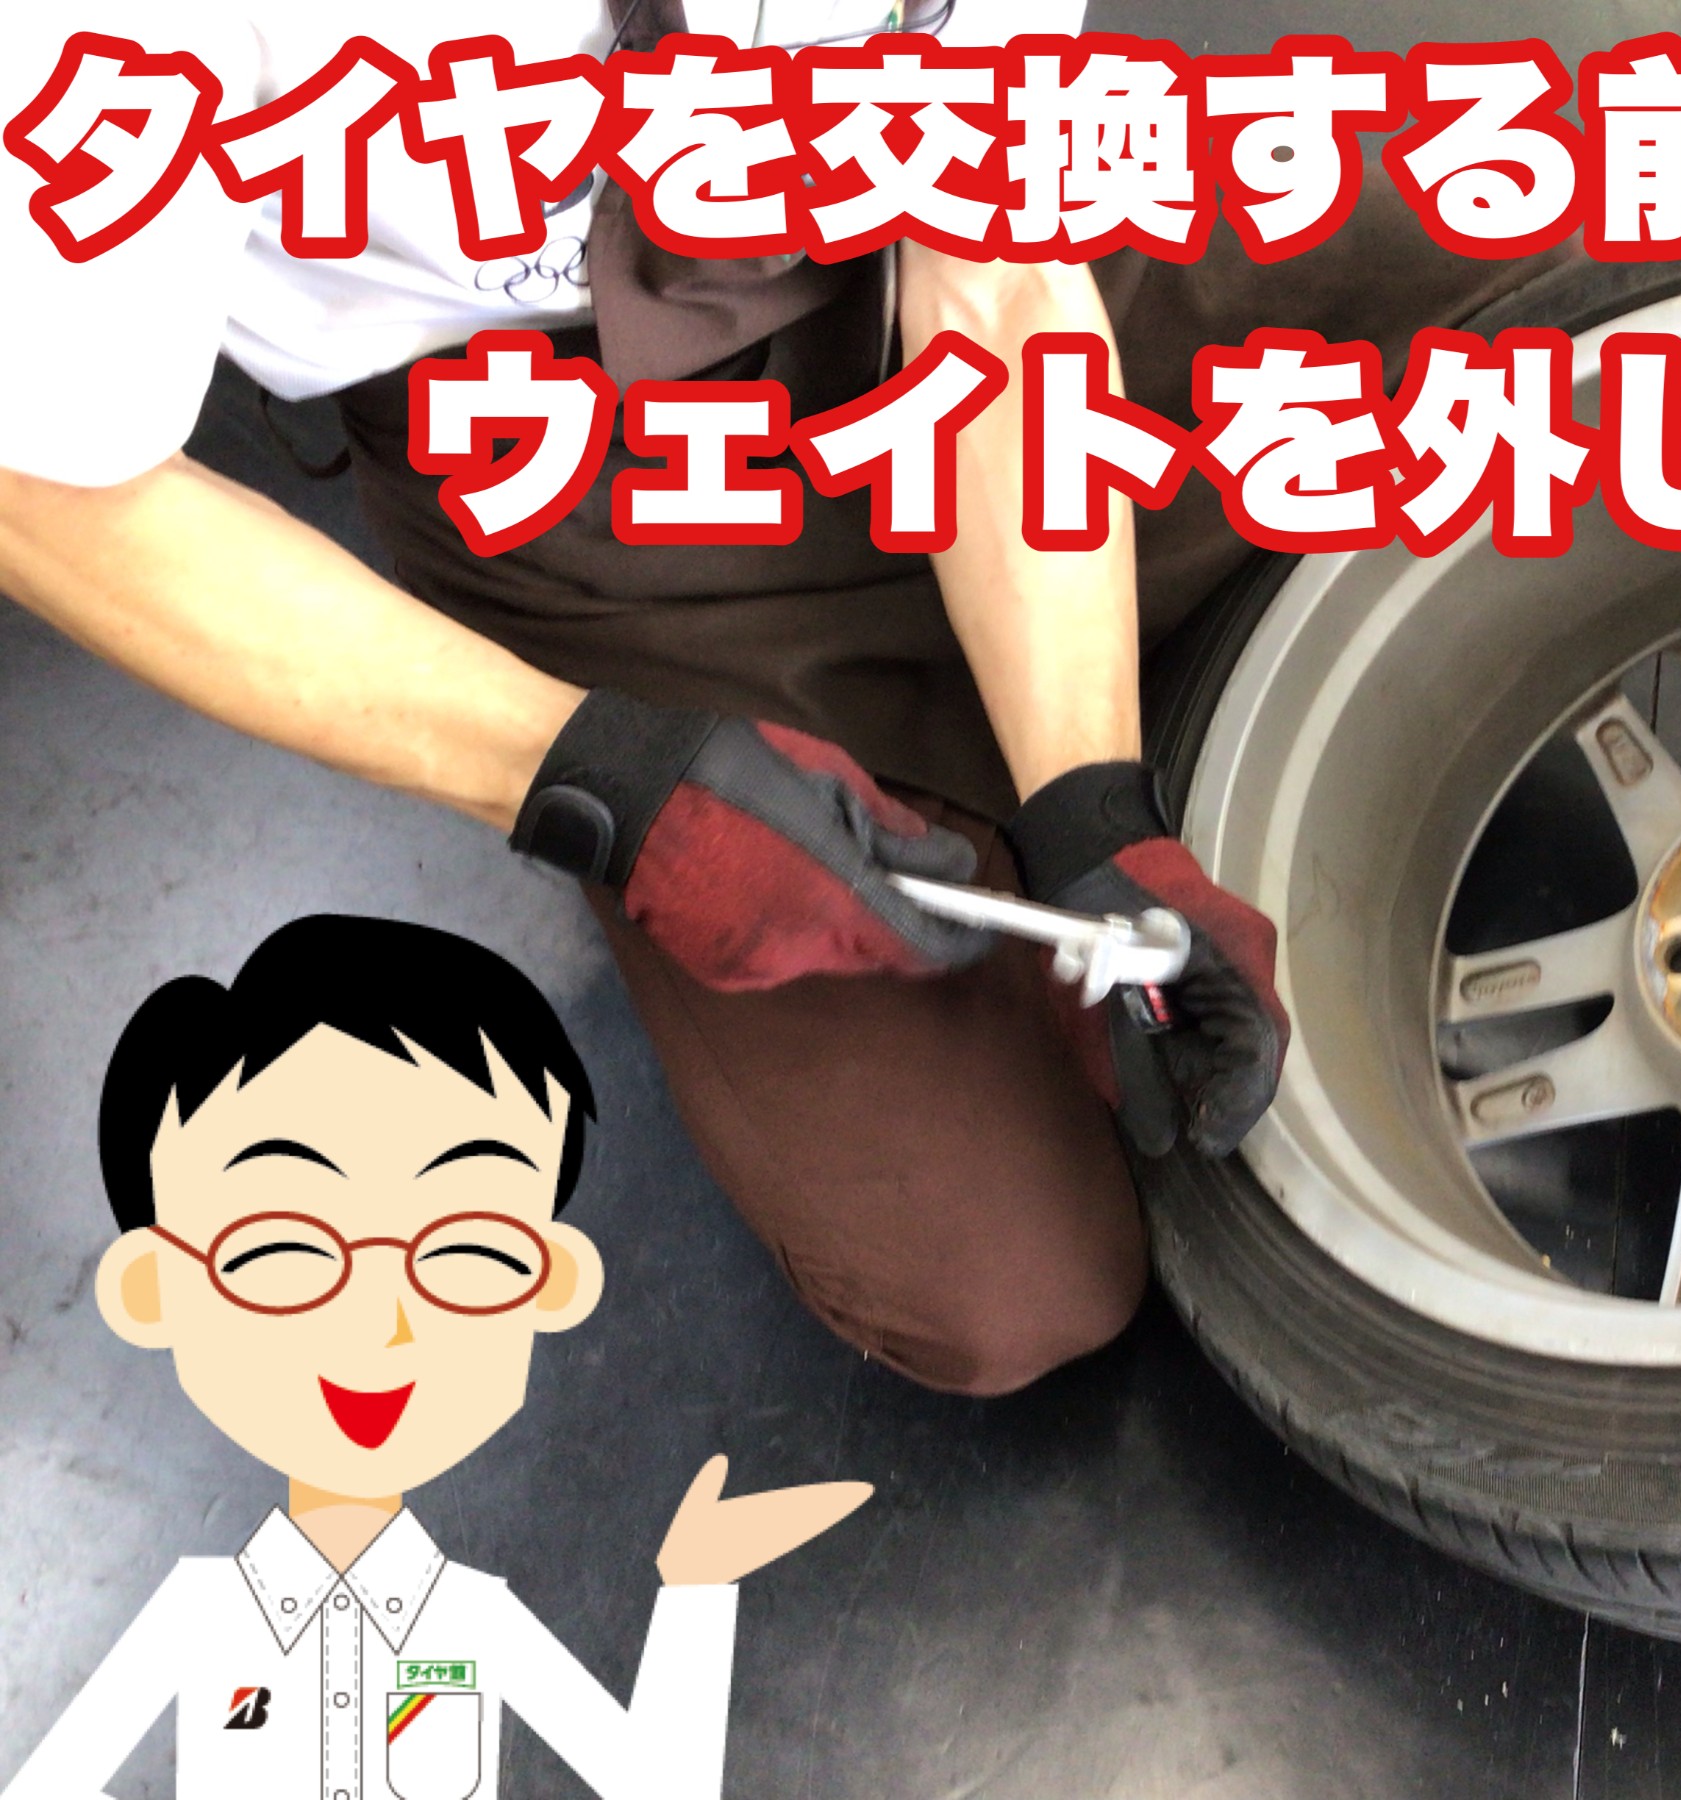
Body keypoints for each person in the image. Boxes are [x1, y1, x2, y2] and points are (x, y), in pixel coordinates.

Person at [0, 0, 1291, 1397]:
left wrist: (1090, 798)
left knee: (1461, 359)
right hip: (533, 434)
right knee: (1016, 1284)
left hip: (872, 226)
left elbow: (988, 246)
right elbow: (41, 481)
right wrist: (594, 774)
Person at [0, 914, 871, 1800]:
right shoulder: (201, 1621)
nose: (382, 1325)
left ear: (551, 1279)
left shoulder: (471, 1622)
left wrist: (697, 1588)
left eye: (467, 1252)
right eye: (283, 1251)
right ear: (154, 1287)